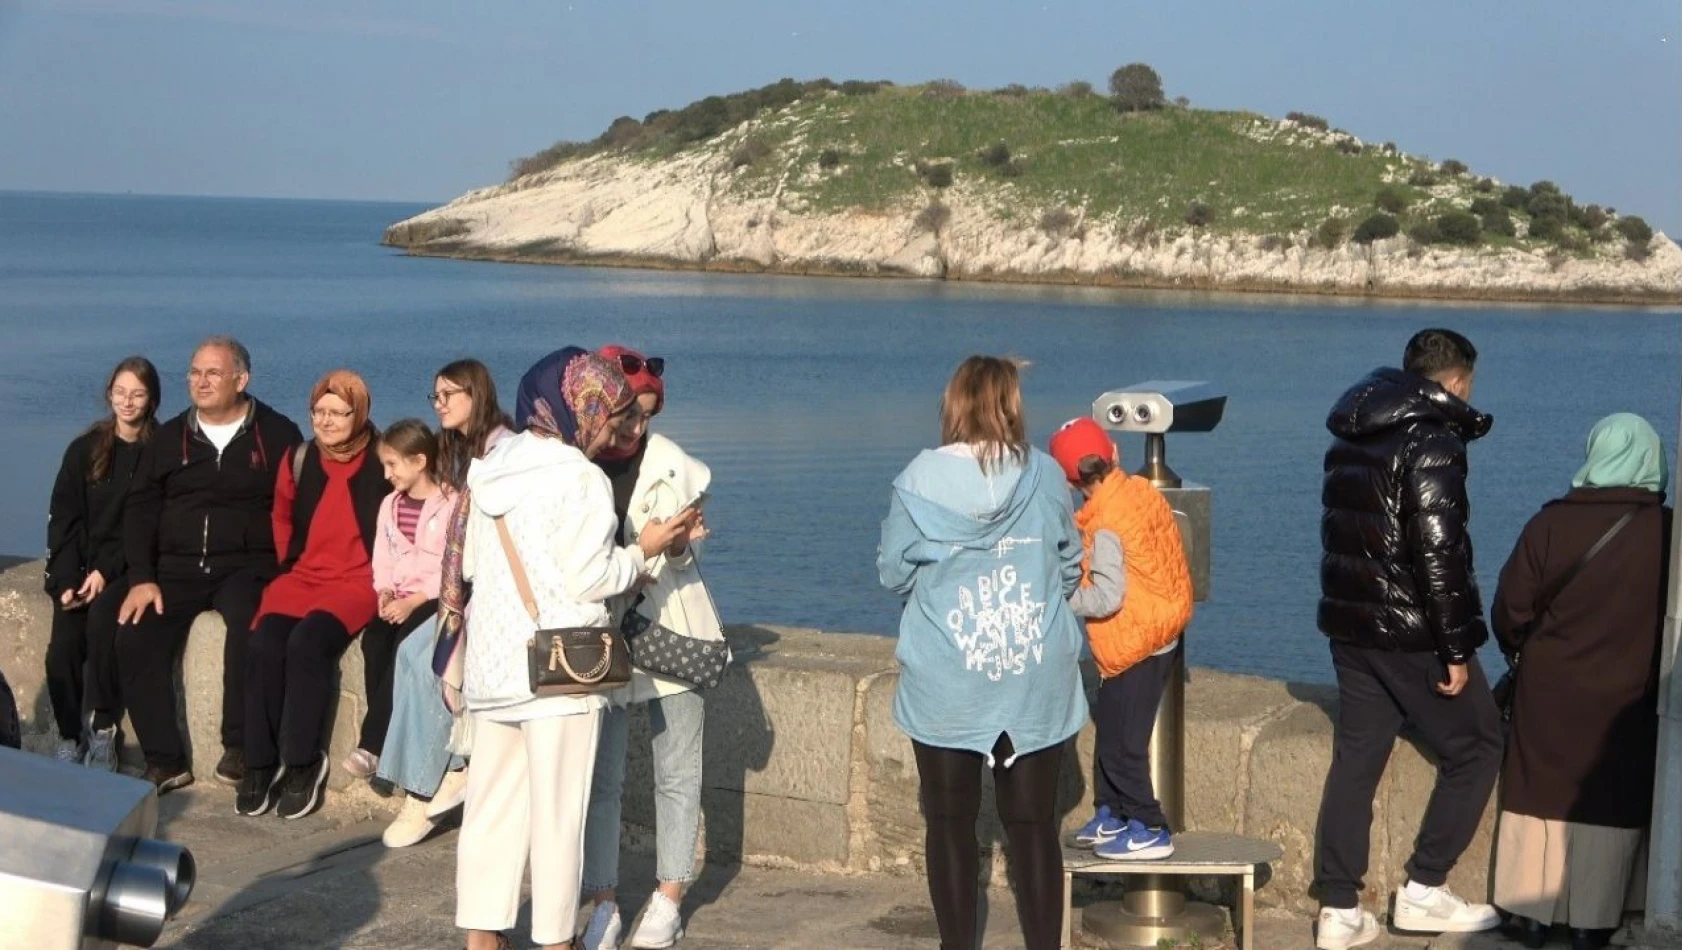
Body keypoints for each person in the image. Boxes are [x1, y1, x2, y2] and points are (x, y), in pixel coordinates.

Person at [448, 348, 696, 950]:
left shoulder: (494, 464)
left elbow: (474, 565)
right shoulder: (579, 476)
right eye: (608, 418)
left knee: (489, 811)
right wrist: (646, 549)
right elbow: (592, 577)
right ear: (579, 409)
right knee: (558, 816)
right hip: (561, 672)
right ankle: (556, 940)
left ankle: (481, 938)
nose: (612, 432)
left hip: (493, 666)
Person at [876, 355, 1088, 950]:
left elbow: (893, 573)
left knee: (948, 822)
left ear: (953, 405)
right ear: (1010, 406)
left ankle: (957, 944)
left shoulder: (916, 480)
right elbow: (1070, 566)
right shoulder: (1047, 475)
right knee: (1034, 825)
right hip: (1031, 675)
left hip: (949, 676)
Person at [1312, 328, 1503, 950]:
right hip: (1410, 633)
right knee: (1479, 744)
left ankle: (1339, 909)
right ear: (1455, 382)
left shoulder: (1352, 430)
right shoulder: (1433, 440)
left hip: (1352, 627)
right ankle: (1425, 888)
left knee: (1357, 762)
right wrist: (1456, 648)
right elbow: (1439, 552)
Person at [1491, 413, 1671, 950]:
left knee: (1537, 791)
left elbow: (1510, 611)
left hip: (1548, 690)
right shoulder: (1668, 532)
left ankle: (1529, 914)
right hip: (1627, 694)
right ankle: (1596, 920)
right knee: (1609, 795)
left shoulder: (1549, 524)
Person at [579, 345, 722, 950]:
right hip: (599, 634)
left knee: (678, 768)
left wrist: (682, 544)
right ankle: (603, 899)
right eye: (627, 414)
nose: (635, 428)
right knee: (599, 774)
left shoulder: (679, 467)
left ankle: (669, 896)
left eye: (645, 415)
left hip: (670, 628)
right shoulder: (571, 464)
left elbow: (690, 558)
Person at [117, 336, 303, 792]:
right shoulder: (168, 437)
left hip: (247, 565)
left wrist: (287, 572)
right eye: (195, 372)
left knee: (250, 626)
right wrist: (142, 577)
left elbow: (297, 509)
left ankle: (239, 747)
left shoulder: (277, 434)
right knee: (134, 634)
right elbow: (139, 508)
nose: (201, 381)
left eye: (213, 373)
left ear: (241, 379)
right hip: (177, 567)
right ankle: (165, 760)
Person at [236, 370, 386, 820]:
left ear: (358, 413)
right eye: (319, 411)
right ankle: (260, 763)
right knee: (263, 643)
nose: (326, 421)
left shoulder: (383, 458)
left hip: (358, 581)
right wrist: (288, 565)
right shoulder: (300, 458)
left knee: (308, 644)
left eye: (337, 412)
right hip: (303, 577)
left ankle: (303, 762)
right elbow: (281, 513)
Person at [378, 358, 514, 847]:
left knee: (430, 660)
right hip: (465, 592)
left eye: (448, 395)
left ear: (475, 395)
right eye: (434, 396)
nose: (439, 405)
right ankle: (429, 780)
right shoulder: (456, 450)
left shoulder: (503, 448)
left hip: (495, 595)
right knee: (415, 657)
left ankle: (438, 778)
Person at [1049, 417, 1193, 862]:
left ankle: (1150, 826)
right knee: (1111, 730)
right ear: (1113, 453)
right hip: (1158, 628)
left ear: (1070, 482)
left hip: (1136, 642)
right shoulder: (1138, 493)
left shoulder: (1106, 521)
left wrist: (1061, 596)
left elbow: (1108, 597)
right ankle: (1112, 814)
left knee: (1123, 746)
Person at [43, 356, 161, 768]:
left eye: (138, 394)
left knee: (102, 628)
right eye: (120, 392)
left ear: (151, 399)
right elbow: (64, 519)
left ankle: (103, 728)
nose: (127, 402)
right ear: (109, 393)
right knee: (61, 649)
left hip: (130, 566)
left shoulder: (157, 453)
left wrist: (105, 573)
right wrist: (65, 580)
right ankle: (69, 735)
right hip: (81, 566)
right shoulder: (85, 450)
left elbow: (146, 526)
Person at [342, 419, 457, 780]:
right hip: (399, 594)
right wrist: (385, 590)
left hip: (432, 597)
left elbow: (451, 563)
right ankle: (388, 733)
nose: (387, 474)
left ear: (419, 461)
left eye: (393, 464)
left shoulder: (450, 503)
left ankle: (372, 744)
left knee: (404, 648)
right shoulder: (390, 505)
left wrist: (413, 600)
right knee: (375, 641)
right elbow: (384, 554)